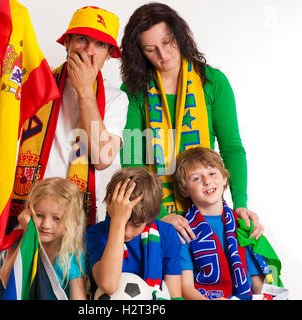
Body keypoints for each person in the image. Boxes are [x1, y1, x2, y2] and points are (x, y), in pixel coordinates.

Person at [0, 6, 128, 226]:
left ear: (108, 55)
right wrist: (2, 42)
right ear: (67, 43)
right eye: (81, 39)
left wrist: (86, 91)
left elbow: (102, 159)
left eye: (100, 44)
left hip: (75, 223)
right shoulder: (37, 81)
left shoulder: (116, 99)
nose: (89, 50)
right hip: (26, 214)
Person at [119, 2, 263, 243]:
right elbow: (132, 162)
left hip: (207, 206)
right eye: (150, 49)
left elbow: (231, 149)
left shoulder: (213, 82)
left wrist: (240, 203)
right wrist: (160, 215)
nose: (163, 55)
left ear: (179, 34)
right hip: (155, 213)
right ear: (139, 52)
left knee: (257, 254)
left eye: (167, 42)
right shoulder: (134, 90)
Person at [174, 147, 264, 299]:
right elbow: (185, 287)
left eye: (212, 173)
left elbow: (257, 282)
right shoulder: (184, 229)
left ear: (224, 178)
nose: (207, 181)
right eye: (196, 178)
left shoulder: (242, 223)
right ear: (184, 190)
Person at [86, 167, 182, 299]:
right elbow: (108, 285)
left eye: (136, 225)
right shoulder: (95, 234)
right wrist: (118, 221)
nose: (126, 232)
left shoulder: (167, 233)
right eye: (124, 224)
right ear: (109, 205)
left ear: (149, 219)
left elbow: (174, 295)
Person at [0, 177, 87, 300]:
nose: (46, 225)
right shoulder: (19, 239)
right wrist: (27, 234)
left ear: (71, 221)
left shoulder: (72, 255)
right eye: (39, 215)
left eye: (57, 218)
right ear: (29, 212)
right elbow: (6, 280)